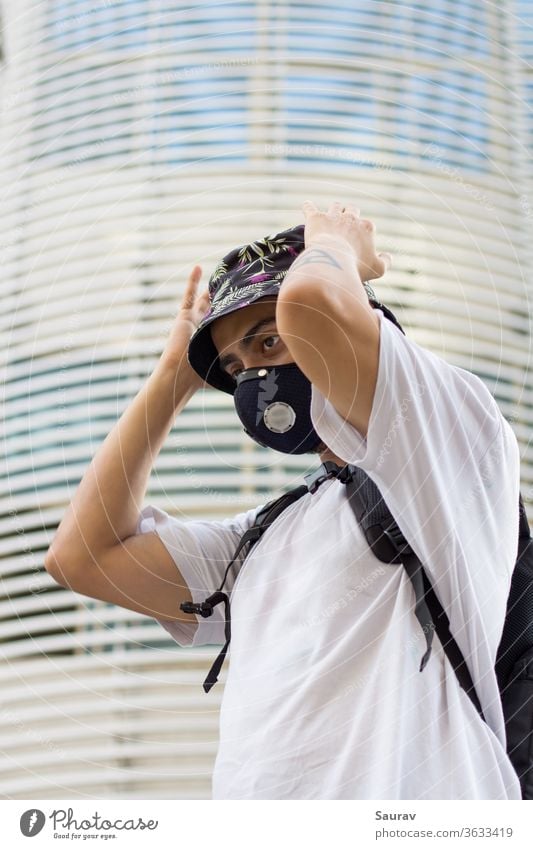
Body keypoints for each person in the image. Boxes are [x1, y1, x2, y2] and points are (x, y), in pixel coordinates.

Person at [45, 201, 522, 800]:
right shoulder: (265, 535)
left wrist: (338, 242)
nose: (253, 380)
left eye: (270, 341)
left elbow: (314, 310)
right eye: (235, 366)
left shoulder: (448, 436)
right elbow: (82, 556)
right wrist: (175, 374)